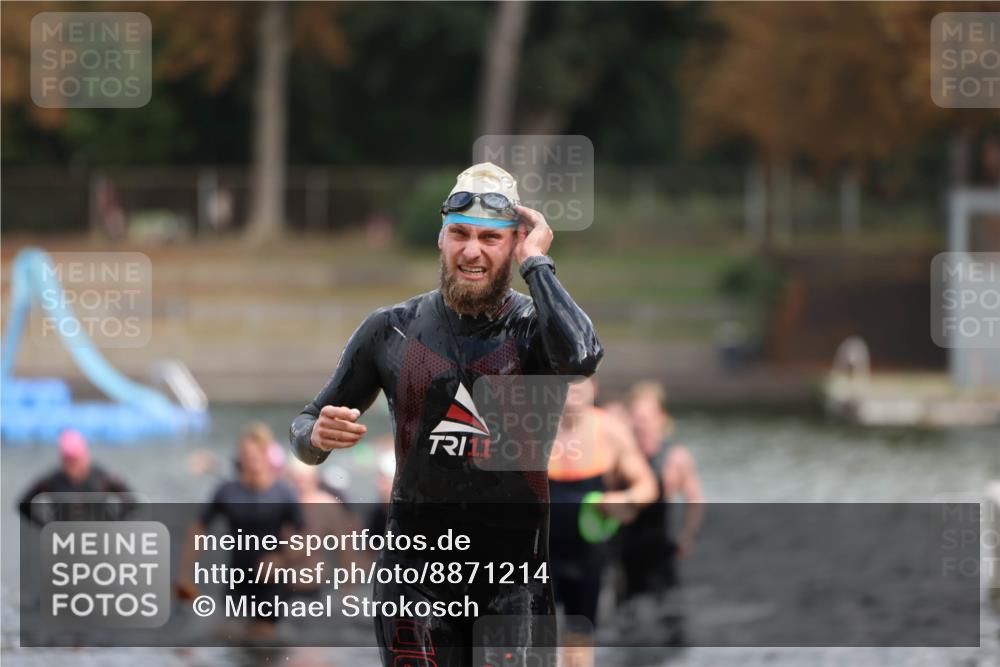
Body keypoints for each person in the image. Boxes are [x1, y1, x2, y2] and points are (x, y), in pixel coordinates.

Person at [289, 162, 603, 666]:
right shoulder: (390, 330)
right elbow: (303, 429)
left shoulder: (533, 330)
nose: (471, 251)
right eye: (459, 233)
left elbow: (583, 356)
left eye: (489, 238)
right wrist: (317, 436)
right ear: (441, 239)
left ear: (514, 244)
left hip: (514, 584)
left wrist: (538, 263)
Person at [547, 377, 658, 667]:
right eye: (564, 382)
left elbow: (647, 484)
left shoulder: (609, 430)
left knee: (580, 637)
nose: (572, 389)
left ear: (594, 389)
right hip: (538, 555)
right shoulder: (533, 428)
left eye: (579, 382)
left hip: (587, 555)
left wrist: (625, 500)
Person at [179, 422, 305, 640]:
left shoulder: (284, 493)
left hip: (271, 582)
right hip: (237, 579)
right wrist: (184, 574)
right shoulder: (228, 492)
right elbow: (198, 529)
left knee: (264, 641)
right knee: (231, 640)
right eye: (246, 455)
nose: (251, 460)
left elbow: (304, 539)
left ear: (267, 455)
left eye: (255, 454)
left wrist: (281, 558)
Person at [618, 381, 704, 603]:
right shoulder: (620, 457)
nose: (642, 423)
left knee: (670, 616)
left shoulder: (676, 458)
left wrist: (688, 535)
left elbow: (694, 500)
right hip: (624, 552)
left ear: (661, 418)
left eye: (647, 416)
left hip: (663, 550)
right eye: (637, 416)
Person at [17, 429, 133, 524]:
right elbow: (24, 505)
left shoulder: (102, 477)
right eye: (67, 460)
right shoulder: (52, 481)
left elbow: (132, 502)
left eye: (75, 460)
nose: (72, 465)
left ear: (84, 456)